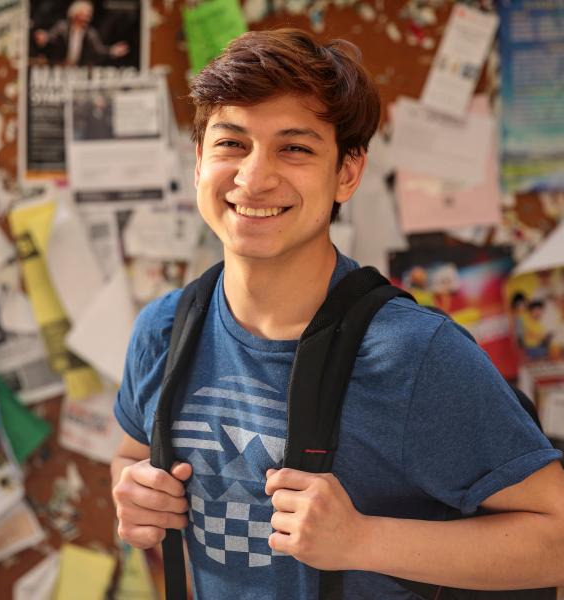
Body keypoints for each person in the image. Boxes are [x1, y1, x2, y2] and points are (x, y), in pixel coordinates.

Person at [110, 28, 564, 599]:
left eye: (295, 148)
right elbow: (131, 453)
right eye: (232, 143)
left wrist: (360, 540)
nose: (254, 177)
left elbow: (557, 540)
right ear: (199, 159)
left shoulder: (414, 355)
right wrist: (131, 492)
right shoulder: (164, 330)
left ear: (347, 173)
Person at [33, 1, 129, 66]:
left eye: (90, 14)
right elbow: (51, 37)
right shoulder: (62, 28)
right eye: (85, 14)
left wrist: (112, 51)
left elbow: (98, 50)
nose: (88, 17)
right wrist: (44, 37)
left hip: (78, 69)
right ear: (75, 14)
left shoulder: (90, 33)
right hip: (61, 67)